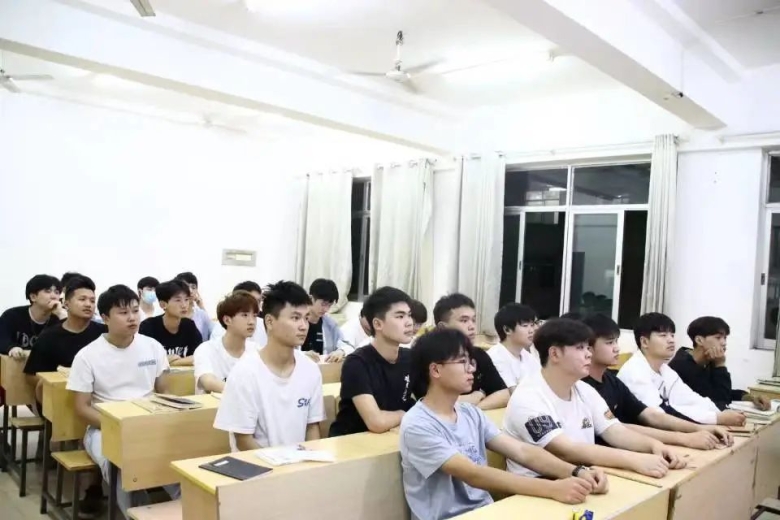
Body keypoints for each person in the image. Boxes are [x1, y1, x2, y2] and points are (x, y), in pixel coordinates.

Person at [400, 328, 607, 520]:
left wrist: (578, 472)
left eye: (471, 361)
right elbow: (473, 474)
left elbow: (521, 451)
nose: (471, 369)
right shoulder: (418, 424)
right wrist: (553, 489)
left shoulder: (470, 413)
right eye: (462, 362)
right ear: (435, 370)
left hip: (486, 512)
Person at [504, 318, 687, 480]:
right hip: (538, 485)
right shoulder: (529, 397)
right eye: (580, 348)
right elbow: (565, 450)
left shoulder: (584, 389)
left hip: (583, 475)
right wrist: (633, 460)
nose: (588, 354)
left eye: (588, 347)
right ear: (555, 354)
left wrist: (654, 446)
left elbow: (614, 431)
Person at [66, 285, 170, 519]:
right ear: (105, 318)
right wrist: (119, 426)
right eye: (123, 313)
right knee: (121, 464)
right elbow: (81, 408)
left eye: (135, 310)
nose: (132, 317)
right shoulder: (87, 356)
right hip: (103, 428)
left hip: (147, 422)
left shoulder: (152, 347)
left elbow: (164, 393)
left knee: (178, 459)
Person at [580, 314, 733, 450]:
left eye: (616, 342)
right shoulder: (586, 385)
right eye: (609, 343)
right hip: (617, 450)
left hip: (633, 444)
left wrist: (704, 426)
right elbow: (618, 428)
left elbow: (651, 414)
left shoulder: (612, 380)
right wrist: (692, 433)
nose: (617, 348)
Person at [214, 281, 324, 450]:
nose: (303, 326)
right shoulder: (245, 372)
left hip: (299, 462)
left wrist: (309, 458)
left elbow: (312, 427)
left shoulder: (311, 370)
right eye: (295, 318)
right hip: (257, 464)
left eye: (306, 318)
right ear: (270, 322)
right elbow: (243, 440)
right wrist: (280, 464)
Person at [617, 313, 746, 426]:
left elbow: (691, 399)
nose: (671, 340)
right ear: (645, 342)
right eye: (663, 335)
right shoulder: (635, 372)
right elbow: (658, 416)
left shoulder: (665, 370)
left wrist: (721, 413)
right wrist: (716, 418)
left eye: (672, 335)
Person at [329, 286, 415, 436]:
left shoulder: (411, 358)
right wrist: (404, 414)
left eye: (409, 315)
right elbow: (376, 422)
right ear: (378, 324)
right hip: (352, 441)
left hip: (391, 438)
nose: (409, 322)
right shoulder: (357, 363)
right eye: (400, 316)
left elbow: (431, 405)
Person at [670, 316, 770, 411]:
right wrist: (720, 365)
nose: (724, 343)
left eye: (725, 338)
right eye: (718, 338)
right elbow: (720, 401)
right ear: (699, 340)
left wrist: (751, 398)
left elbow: (721, 391)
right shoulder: (682, 366)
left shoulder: (708, 360)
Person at [433, 294, 509, 410]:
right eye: (464, 320)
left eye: (473, 320)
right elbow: (435, 403)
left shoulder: (479, 354)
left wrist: (474, 409)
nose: (472, 326)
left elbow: (504, 394)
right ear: (443, 327)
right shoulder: (430, 357)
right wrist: (477, 395)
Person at [195, 291, 260, 394]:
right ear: (227, 320)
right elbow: (207, 382)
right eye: (245, 315)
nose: (252, 321)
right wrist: (243, 394)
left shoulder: (257, 351)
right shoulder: (206, 349)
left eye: (254, 316)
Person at [139, 280, 202, 366]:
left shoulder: (189, 325)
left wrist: (170, 361)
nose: (184, 305)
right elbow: (145, 362)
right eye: (178, 300)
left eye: (186, 299)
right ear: (163, 304)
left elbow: (200, 356)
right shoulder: (148, 327)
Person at [0, 274, 65, 358]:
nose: (54, 296)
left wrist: (62, 315)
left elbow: (72, 345)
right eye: (47, 291)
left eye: (57, 292)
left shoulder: (59, 318)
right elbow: (2, 339)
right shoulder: (12, 315)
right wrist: (11, 348)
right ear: (33, 297)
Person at [487, 303, 541, 393]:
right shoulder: (495, 357)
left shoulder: (527, 356)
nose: (531, 330)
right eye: (525, 326)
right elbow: (513, 393)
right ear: (507, 330)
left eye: (532, 325)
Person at [301, 278, 347, 362]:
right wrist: (302, 355)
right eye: (323, 304)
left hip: (322, 367)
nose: (326, 309)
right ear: (311, 299)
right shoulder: (296, 322)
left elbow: (345, 344)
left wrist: (341, 351)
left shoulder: (330, 324)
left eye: (329, 305)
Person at [210, 281, 267, 347]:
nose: (256, 306)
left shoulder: (264, 325)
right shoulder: (220, 330)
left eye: (259, 301)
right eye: (251, 300)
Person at [174, 272, 213, 340]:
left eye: (193, 287)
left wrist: (201, 306)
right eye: (186, 287)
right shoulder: (171, 313)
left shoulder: (201, 314)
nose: (190, 291)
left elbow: (210, 336)